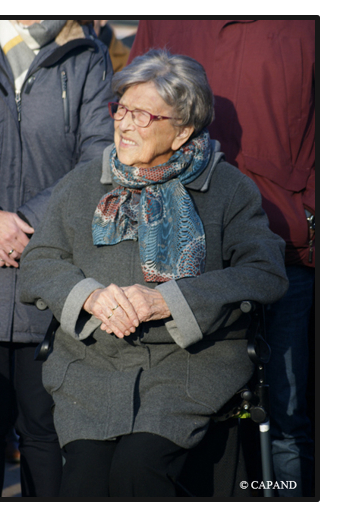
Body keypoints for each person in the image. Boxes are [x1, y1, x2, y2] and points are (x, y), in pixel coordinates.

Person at [18, 49, 289, 497]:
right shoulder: (83, 182)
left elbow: (265, 273)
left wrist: (166, 300)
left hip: (189, 368)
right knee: (83, 486)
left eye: (142, 116)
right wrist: (89, 295)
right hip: (92, 368)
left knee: (137, 475)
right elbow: (39, 262)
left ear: (182, 131)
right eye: (121, 108)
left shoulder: (227, 188)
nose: (123, 124)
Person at [129, 20, 316, 496]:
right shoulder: (167, 18)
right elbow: (131, 111)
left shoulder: (305, 25)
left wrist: (309, 211)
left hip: (289, 245)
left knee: (288, 414)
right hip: (186, 250)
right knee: (195, 409)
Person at [0, 19, 115, 497]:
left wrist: (23, 222)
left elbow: (97, 155)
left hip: (50, 272)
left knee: (42, 431)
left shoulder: (85, 56)